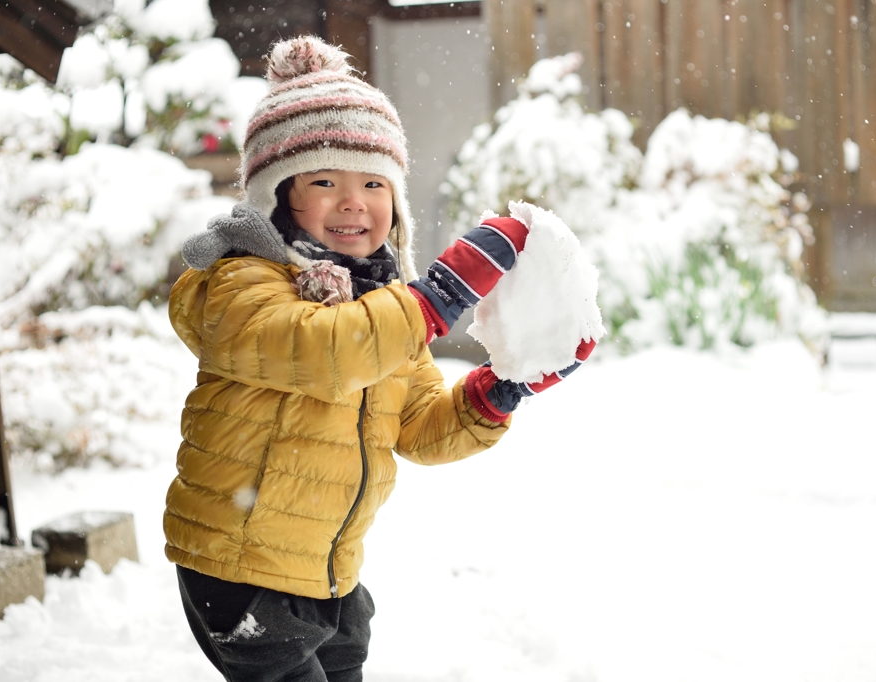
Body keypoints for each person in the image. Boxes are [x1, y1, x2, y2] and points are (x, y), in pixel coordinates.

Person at [164, 35, 591, 682]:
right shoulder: (242, 284)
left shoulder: (383, 306)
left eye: (372, 182)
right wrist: (440, 295)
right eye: (324, 181)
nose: (353, 200)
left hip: (330, 572)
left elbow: (418, 426)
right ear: (277, 197)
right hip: (239, 567)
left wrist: (495, 393)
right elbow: (323, 352)